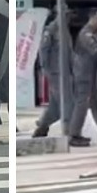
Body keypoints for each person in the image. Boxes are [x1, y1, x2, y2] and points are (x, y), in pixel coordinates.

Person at [67, 8, 97, 147]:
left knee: (86, 103)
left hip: (89, 73)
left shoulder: (94, 33)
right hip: (83, 73)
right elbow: (95, 51)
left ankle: (76, 133)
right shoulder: (86, 34)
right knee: (81, 104)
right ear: (92, 18)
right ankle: (73, 135)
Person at [33, 9, 71, 138]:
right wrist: (45, 68)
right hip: (55, 73)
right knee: (66, 101)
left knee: (56, 105)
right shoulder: (51, 30)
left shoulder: (64, 30)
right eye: (66, 14)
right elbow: (43, 50)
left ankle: (43, 126)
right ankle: (71, 131)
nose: (68, 17)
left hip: (65, 73)